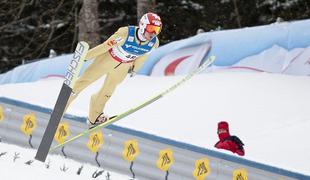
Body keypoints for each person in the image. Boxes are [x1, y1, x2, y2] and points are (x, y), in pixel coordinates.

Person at [65, 12, 162, 128]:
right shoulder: (125, 33)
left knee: (108, 91)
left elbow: (143, 56)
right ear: (142, 25)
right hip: (108, 59)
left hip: (124, 66)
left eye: (157, 30)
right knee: (85, 80)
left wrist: (135, 69)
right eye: (151, 28)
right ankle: (64, 103)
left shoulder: (154, 43)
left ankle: (94, 117)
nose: (153, 33)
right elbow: (105, 46)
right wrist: (85, 57)